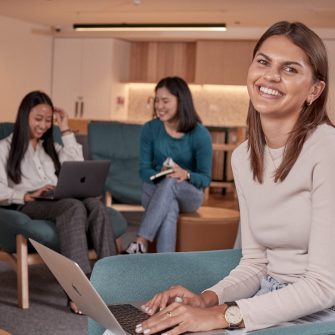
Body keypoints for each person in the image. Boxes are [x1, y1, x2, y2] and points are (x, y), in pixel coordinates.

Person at [134, 21, 335, 334]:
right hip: (269, 299)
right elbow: (256, 264)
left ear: (314, 90)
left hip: (323, 312)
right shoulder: (243, 158)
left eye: (290, 69)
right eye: (263, 61)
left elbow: (323, 286)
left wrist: (221, 316)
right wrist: (206, 300)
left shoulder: (327, 149)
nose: (270, 75)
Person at [0, 91, 116, 314]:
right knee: (74, 207)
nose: (43, 125)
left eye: (48, 120)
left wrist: (65, 128)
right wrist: (27, 194)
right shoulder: (4, 147)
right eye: (38, 119)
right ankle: (79, 293)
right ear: (24, 116)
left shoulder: (50, 147)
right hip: (29, 203)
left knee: (97, 206)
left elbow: (78, 167)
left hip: (60, 198)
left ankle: (112, 285)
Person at [123, 76, 212, 254]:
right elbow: (144, 170)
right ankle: (165, 265)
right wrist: (161, 173)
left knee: (172, 181)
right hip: (156, 191)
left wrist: (185, 174)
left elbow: (205, 178)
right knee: (169, 206)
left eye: (165, 101)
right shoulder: (150, 129)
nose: (159, 106)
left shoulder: (199, 134)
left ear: (181, 101)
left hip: (190, 195)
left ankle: (141, 240)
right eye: (156, 100)